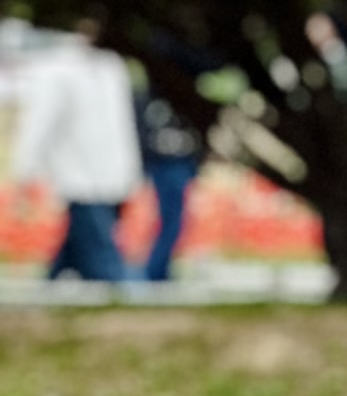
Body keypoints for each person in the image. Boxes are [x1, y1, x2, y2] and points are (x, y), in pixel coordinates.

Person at [10, 23, 144, 290]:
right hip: (81, 180)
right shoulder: (56, 70)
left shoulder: (109, 65)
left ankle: (50, 288)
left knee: (80, 245)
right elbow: (39, 127)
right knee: (103, 262)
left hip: (109, 178)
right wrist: (24, 171)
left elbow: (122, 125)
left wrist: (130, 173)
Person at [135, 70, 203, 285]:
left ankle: (158, 270)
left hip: (178, 162)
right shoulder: (148, 99)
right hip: (164, 164)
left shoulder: (182, 97)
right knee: (171, 219)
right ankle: (156, 271)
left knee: (174, 219)